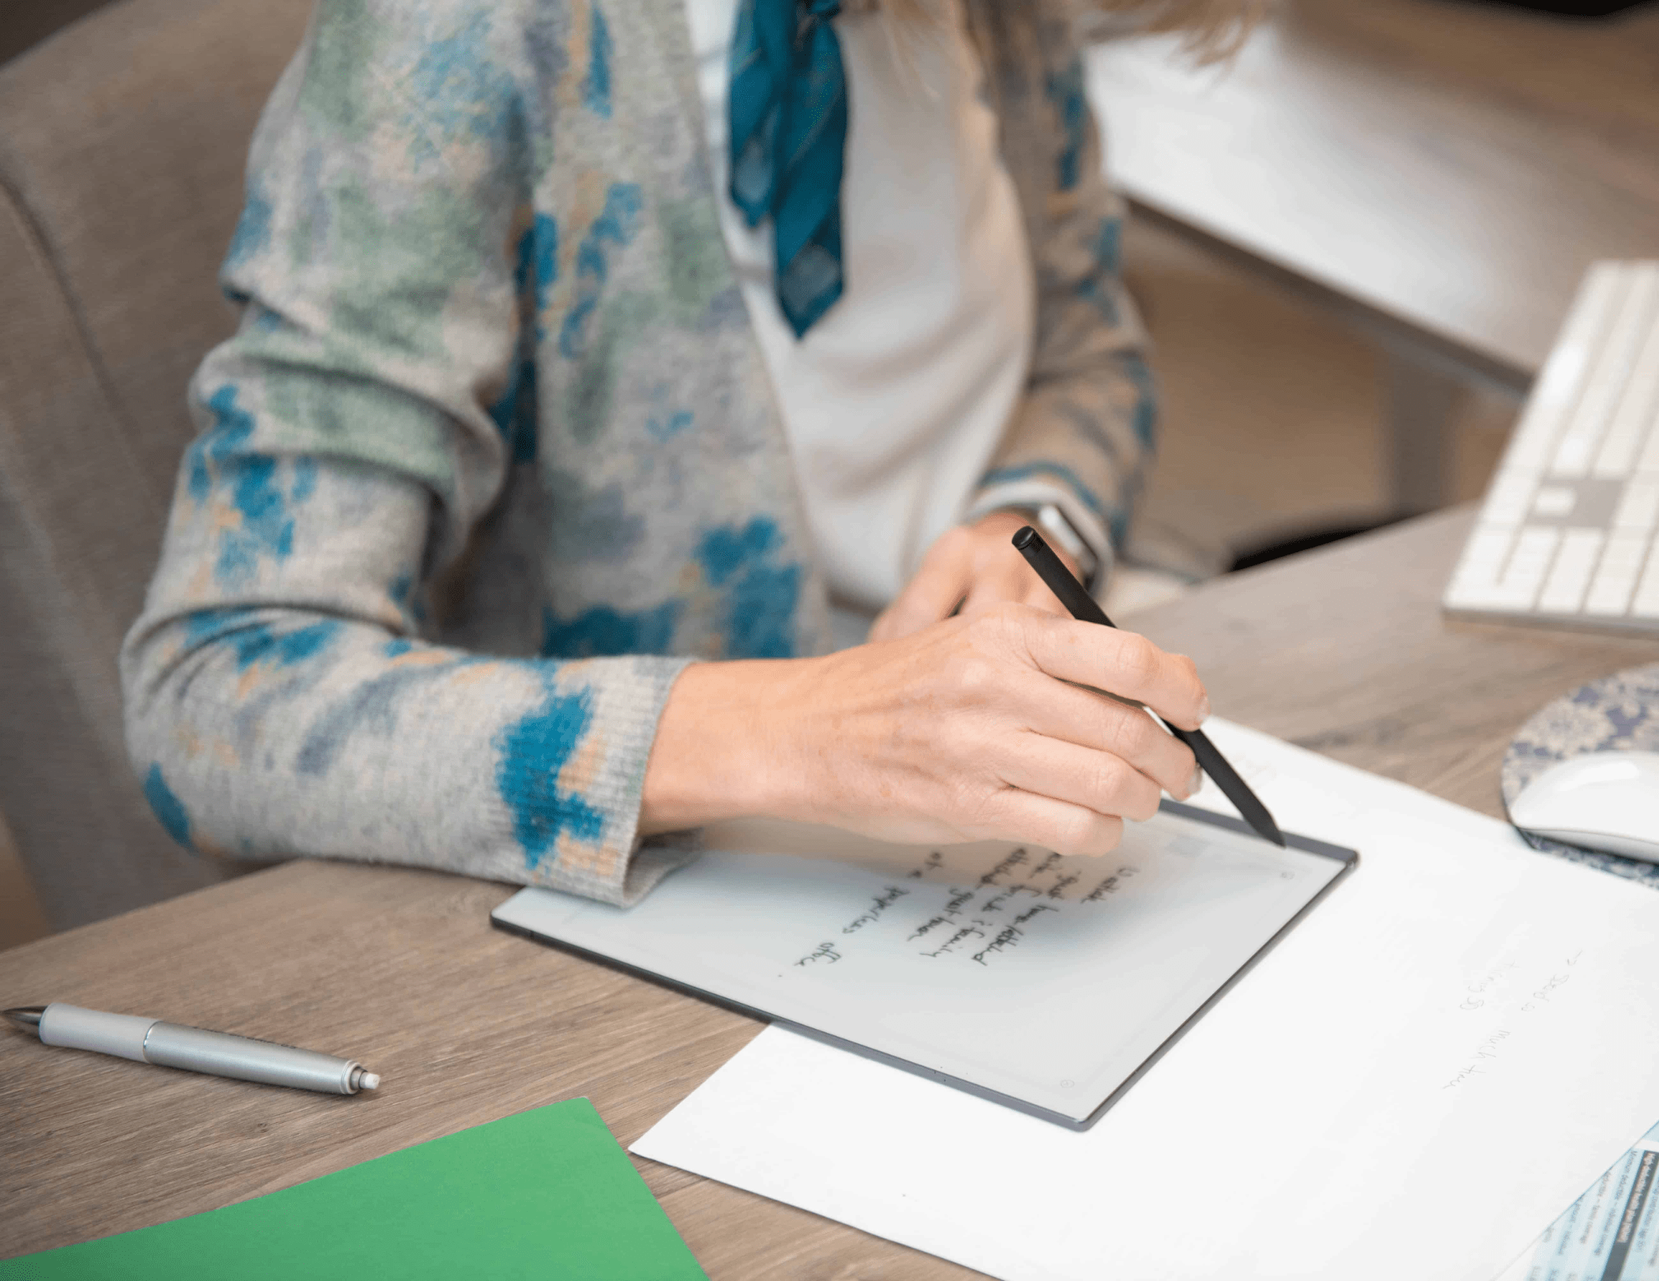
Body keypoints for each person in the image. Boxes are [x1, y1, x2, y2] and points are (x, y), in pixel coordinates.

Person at [121, 0, 1241, 906]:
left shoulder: (998, 17)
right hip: (682, 871)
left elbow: (1090, 349)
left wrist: (1022, 528)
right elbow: (218, 688)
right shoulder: (463, 30)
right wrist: (806, 732)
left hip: (985, 819)